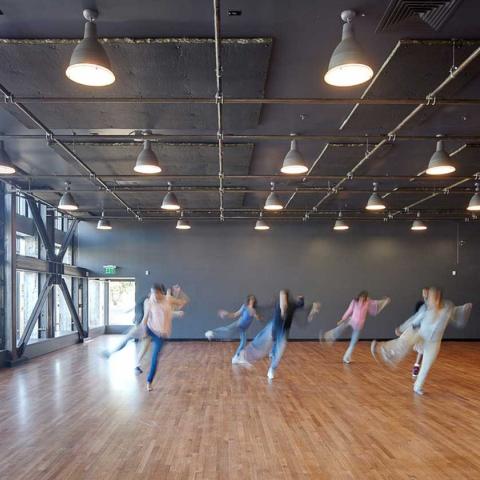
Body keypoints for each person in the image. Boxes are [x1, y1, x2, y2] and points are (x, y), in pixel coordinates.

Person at [371, 287, 472, 395]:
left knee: (427, 365)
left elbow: (457, 313)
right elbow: (414, 319)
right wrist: (401, 328)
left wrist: (464, 308)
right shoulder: (425, 308)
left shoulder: (447, 307)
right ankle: (383, 349)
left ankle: (417, 386)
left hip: (434, 342)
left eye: (434, 297)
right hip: (420, 334)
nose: (432, 299)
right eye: (431, 297)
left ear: (438, 298)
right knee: (404, 342)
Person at [239, 290, 321, 381]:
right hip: (274, 328)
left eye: (285, 299)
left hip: (283, 332)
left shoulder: (292, 305)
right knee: (262, 341)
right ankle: (245, 355)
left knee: (279, 352)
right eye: (282, 299)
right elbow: (268, 306)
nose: (283, 302)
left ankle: (272, 369)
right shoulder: (279, 303)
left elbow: (300, 305)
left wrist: (303, 300)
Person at [141, 284, 188, 391]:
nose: (154, 296)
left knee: (154, 358)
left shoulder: (168, 299)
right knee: (129, 335)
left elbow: (183, 302)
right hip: (149, 328)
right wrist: (143, 331)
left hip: (160, 334)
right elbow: (145, 319)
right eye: (153, 293)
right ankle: (111, 352)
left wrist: (179, 292)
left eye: (156, 293)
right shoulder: (150, 302)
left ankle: (149, 381)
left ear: (161, 293)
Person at [321, 291, 390, 364]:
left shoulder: (368, 302)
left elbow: (376, 303)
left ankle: (346, 357)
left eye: (364, 298)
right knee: (340, 328)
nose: (362, 299)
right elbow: (349, 310)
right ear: (359, 296)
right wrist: (342, 319)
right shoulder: (354, 302)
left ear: (366, 298)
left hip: (359, 325)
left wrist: (385, 301)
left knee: (353, 342)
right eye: (361, 297)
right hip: (351, 320)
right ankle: (328, 336)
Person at [204, 295, 260, 364]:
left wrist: (257, 316)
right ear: (248, 300)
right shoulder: (244, 307)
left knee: (243, 342)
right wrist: (226, 314)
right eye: (251, 299)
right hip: (238, 324)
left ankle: (236, 358)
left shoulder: (254, 310)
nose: (252, 300)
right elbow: (235, 315)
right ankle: (211, 332)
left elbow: (257, 317)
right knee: (227, 330)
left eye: (253, 299)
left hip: (244, 328)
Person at [101, 291, 149, 359]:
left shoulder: (146, 300)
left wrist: (140, 324)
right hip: (141, 326)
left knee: (126, 339)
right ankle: (138, 363)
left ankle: (110, 353)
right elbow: (141, 311)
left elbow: (145, 313)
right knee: (142, 344)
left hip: (141, 326)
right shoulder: (146, 300)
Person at [410, 287, 429, 378]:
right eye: (423, 293)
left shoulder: (433, 307)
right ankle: (417, 366)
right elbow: (416, 317)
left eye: (426, 293)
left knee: (423, 351)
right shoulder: (421, 305)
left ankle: (417, 367)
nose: (425, 295)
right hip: (420, 329)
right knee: (421, 350)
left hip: (429, 331)